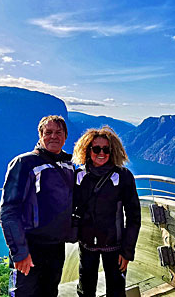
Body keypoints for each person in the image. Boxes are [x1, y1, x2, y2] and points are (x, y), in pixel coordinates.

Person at [0, 115, 74, 297]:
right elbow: (8, 211)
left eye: (59, 132)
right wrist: (20, 252)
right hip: (30, 248)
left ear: (65, 136)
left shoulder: (68, 165)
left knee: (50, 292)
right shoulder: (24, 163)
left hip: (56, 248)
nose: (54, 136)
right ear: (40, 135)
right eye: (48, 132)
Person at [72, 126, 141, 297]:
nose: (101, 153)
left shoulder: (123, 176)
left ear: (113, 150)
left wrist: (127, 252)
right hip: (87, 245)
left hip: (115, 246)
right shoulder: (79, 176)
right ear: (87, 150)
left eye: (106, 149)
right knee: (85, 290)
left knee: (116, 291)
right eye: (96, 148)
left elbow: (134, 217)